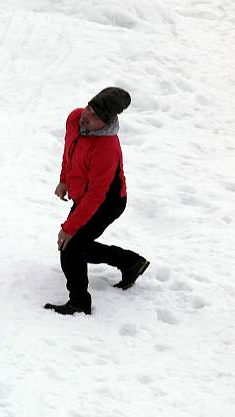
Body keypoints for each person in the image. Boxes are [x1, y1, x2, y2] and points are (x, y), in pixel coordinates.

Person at [44, 87, 150, 316]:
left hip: (107, 202)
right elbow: (69, 153)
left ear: (107, 121)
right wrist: (64, 181)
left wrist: (69, 228)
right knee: (78, 246)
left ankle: (80, 302)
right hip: (85, 196)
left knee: (71, 247)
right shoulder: (75, 118)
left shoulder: (107, 148)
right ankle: (131, 262)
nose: (86, 116)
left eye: (95, 116)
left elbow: (97, 195)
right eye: (89, 108)